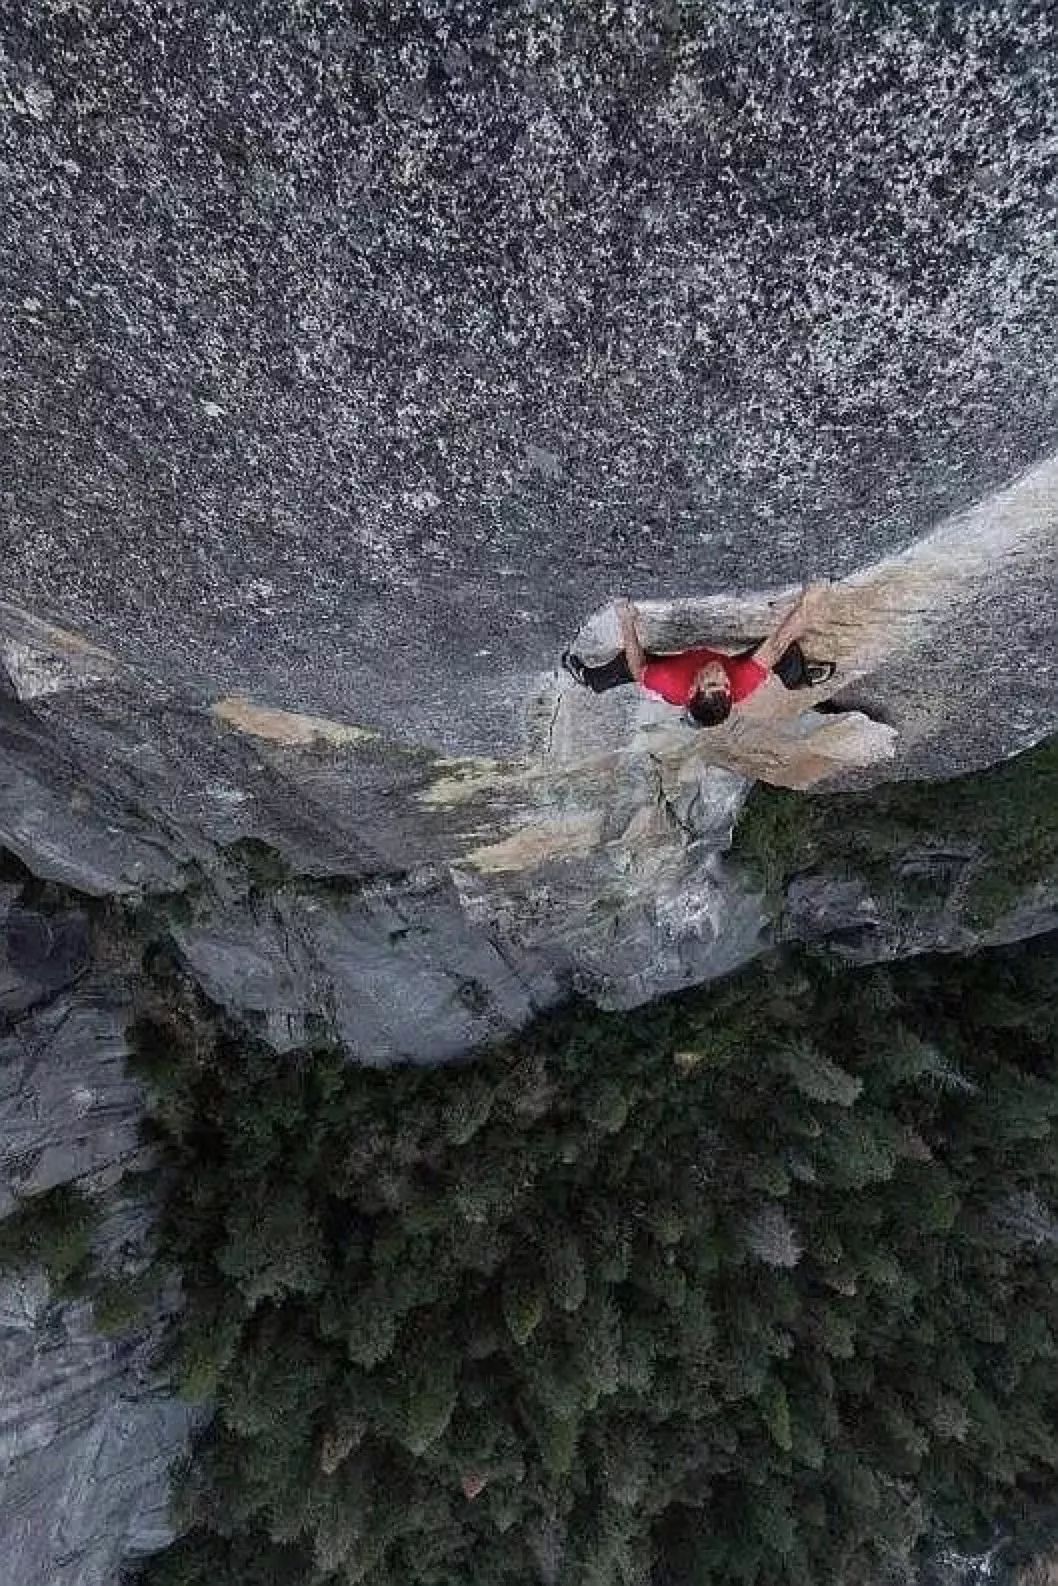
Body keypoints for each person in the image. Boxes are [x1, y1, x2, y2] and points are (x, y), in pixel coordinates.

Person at [562, 585, 835, 728]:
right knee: (780, 656)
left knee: (625, 663)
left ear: (693, 689)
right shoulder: (740, 684)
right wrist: (809, 602)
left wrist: (626, 619)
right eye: (724, 686)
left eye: (713, 682)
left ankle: (592, 679)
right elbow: (776, 643)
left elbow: (637, 667)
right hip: (711, 671)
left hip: (679, 672)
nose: (721, 675)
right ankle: (799, 678)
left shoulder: (667, 680)